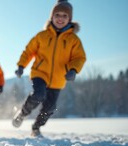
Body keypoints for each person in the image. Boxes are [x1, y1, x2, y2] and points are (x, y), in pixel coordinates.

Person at [12, 0, 86, 137]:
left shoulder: (73, 40)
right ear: (51, 17)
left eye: (65, 16)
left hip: (58, 79)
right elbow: (28, 51)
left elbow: (79, 57)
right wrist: (21, 65)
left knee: (50, 107)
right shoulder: (42, 36)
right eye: (57, 14)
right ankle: (22, 114)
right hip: (40, 73)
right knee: (39, 95)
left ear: (70, 19)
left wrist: (73, 69)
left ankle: (36, 127)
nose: (60, 18)